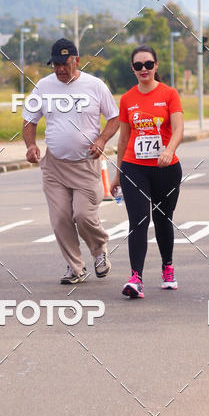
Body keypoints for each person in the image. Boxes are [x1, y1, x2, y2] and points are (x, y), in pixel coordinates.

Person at [23, 38, 119, 284]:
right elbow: (29, 121)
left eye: (64, 64)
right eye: (55, 64)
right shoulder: (43, 86)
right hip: (54, 166)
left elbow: (114, 118)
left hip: (86, 164)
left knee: (84, 215)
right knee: (60, 219)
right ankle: (75, 267)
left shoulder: (95, 86)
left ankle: (99, 250)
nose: (59, 69)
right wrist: (31, 145)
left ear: (76, 60)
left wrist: (102, 139)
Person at [110, 45, 184, 298]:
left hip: (166, 169)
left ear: (156, 66)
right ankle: (136, 278)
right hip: (134, 168)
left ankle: (167, 267)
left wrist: (169, 150)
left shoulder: (169, 94)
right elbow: (123, 139)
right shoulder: (127, 99)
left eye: (148, 64)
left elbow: (178, 129)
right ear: (132, 68)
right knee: (138, 220)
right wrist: (118, 174)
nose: (144, 69)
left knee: (163, 219)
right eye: (138, 65)